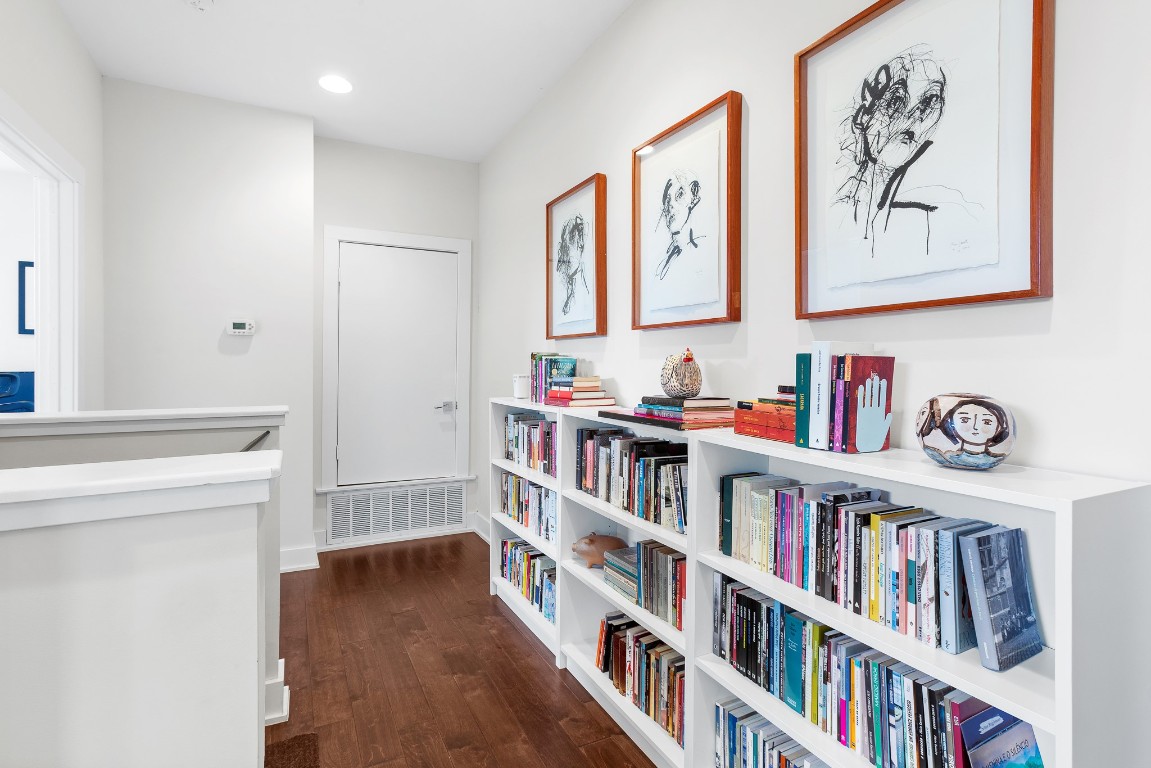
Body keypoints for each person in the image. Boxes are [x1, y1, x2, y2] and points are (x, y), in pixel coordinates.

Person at [836, 47, 953, 258]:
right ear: (863, 117)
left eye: (929, 102)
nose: (913, 117)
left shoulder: (928, 215)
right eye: (895, 102)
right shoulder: (838, 213)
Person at [928, 397, 1012, 469]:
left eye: (986, 422)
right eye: (965, 420)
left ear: (1000, 427)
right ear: (950, 423)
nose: (975, 427)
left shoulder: (996, 460)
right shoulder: (945, 457)